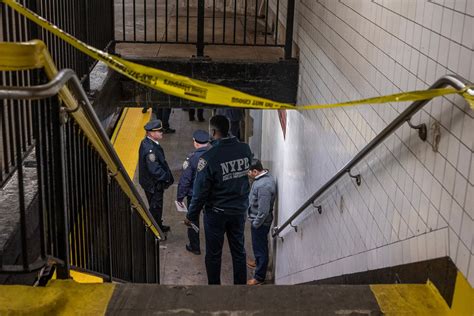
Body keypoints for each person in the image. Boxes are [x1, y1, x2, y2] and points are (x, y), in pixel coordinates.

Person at [185, 115, 252, 285]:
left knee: (214, 254)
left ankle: (214, 288)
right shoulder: (245, 149)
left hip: (217, 213)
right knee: (239, 251)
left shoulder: (208, 158)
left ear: (213, 132)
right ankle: (240, 287)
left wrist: (191, 215)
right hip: (238, 211)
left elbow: (199, 193)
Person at [177, 130, 210, 255]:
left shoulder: (192, 158)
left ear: (195, 143)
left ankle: (195, 246)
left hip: (194, 195)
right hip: (210, 195)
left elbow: (185, 179)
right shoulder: (213, 155)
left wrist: (180, 197)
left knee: (192, 220)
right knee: (209, 219)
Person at [138, 119, 174, 232]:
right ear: (151, 133)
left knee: (156, 207)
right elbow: (154, 169)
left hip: (148, 183)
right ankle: (155, 230)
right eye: (159, 131)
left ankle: (157, 225)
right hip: (154, 185)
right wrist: (166, 177)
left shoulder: (146, 142)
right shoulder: (151, 150)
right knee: (156, 207)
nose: (161, 132)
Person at [246, 159, 276, 285]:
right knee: (260, 246)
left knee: (260, 248)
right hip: (260, 221)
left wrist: (256, 223)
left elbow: (263, 211)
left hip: (260, 223)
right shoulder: (263, 178)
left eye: (249, 172)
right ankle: (258, 262)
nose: (248, 174)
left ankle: (259, 277)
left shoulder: (263, 186)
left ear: (255, 171)